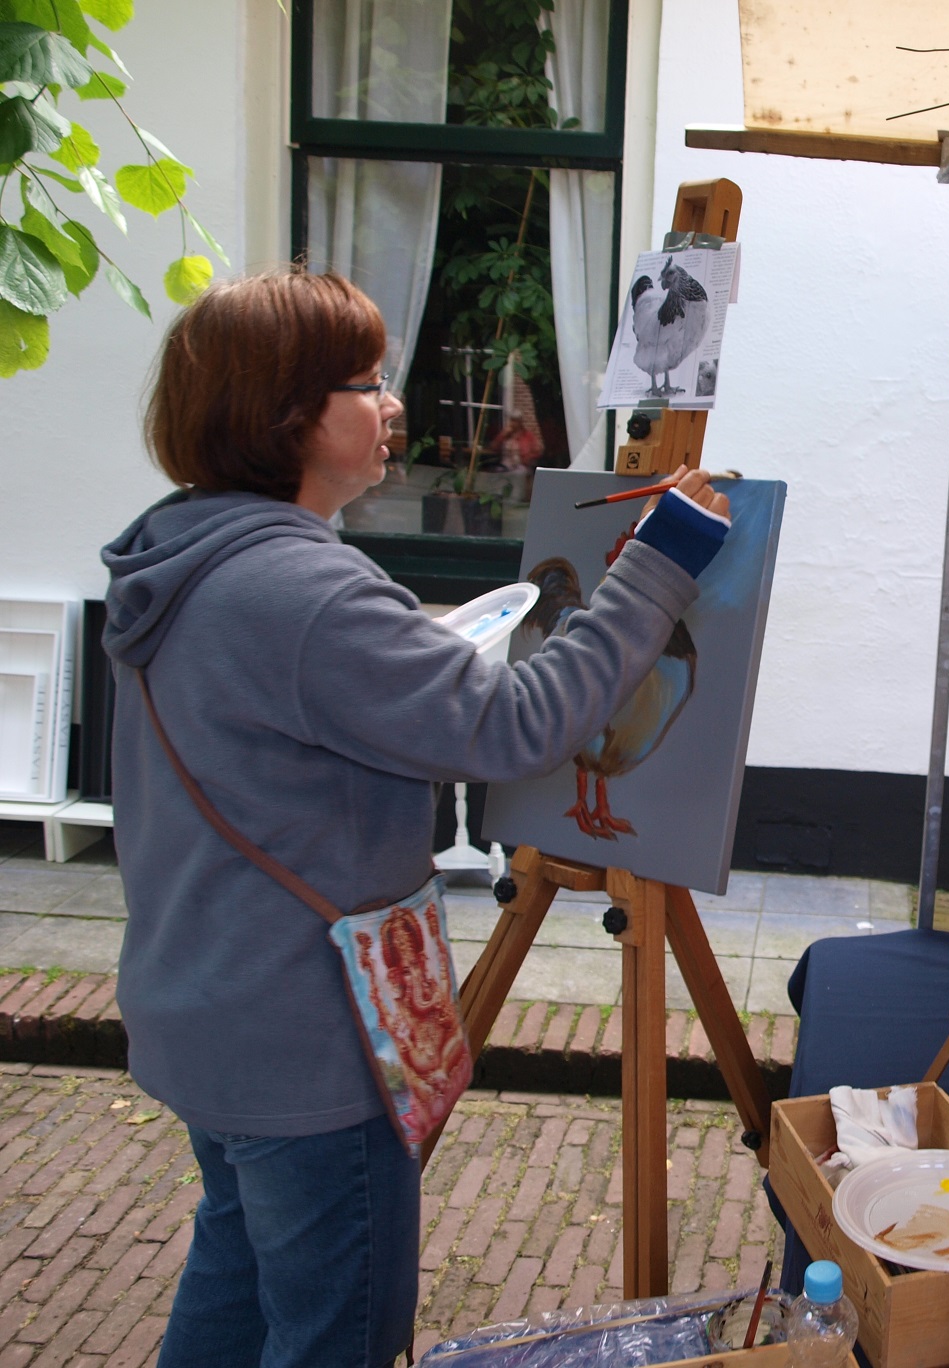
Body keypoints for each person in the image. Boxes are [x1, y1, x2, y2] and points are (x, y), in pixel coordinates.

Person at [101, 269, 733, 1367]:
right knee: (335, 1332)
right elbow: (521, 725)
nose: (392, 404)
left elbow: (289, 719)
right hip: (307, 1043)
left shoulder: (190, 555)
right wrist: (662, 567)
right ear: (289, 414)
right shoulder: (302, 592)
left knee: (239, 1277)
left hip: (207, 1007)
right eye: (368, 381)